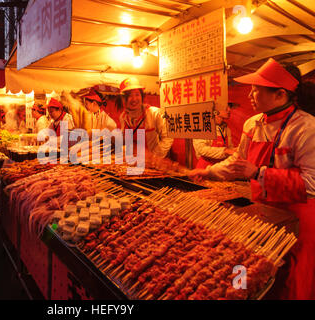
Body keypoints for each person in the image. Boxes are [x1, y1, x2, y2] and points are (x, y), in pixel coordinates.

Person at [188, 58, 315, 299]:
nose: (250, 95)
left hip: (298, 217)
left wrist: (259, 173)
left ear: (280, 94)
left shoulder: (306, 128)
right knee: (260, 274)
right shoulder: (252, 124)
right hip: (263, 212)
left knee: (292, 280)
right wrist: (208, 173)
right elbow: (238, 162)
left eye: (256, 90)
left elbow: (312, 184)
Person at [119, 77, 173, 158]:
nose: (134, 99)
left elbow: (168, 137)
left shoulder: (154, 113)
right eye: (129, 96)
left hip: (151, 165)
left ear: (142, 96)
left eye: (137, 94)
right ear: (124, 99)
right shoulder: (123, 117)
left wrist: (154, 157)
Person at [193, 103, 236, 169]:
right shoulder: (203, 127)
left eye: (230, 107)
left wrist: (235, 150)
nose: (229, 110)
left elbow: (229, 148)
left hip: (220, 169)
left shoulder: (227, 130)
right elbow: (201, 149)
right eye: (226, 107)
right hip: (205, 168)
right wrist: (224, 151)